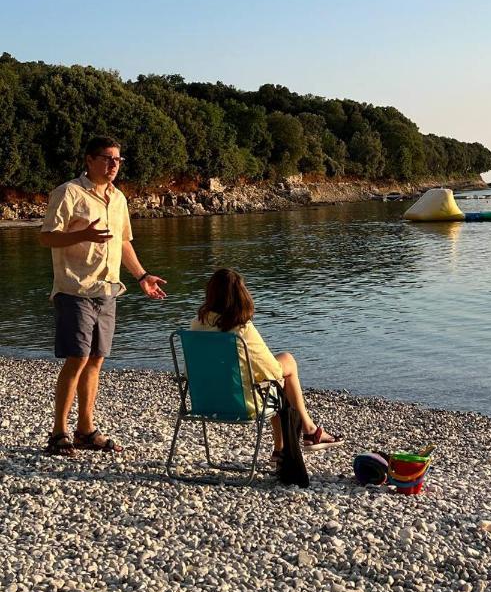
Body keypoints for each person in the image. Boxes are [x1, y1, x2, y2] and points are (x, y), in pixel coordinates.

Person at [39, 136, 167, 456]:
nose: (114, 165)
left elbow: (123, 243)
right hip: (75, 288)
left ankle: (85, 429)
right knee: (78, 357)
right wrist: (82, 234)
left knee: (96, 359)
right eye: (107, 158)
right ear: (89, 160)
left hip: (108, 289)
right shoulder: (68, 192)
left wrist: (141, 275)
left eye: (118, 160)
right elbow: (46, 237)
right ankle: (58, 433)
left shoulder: (118, 198)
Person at [191, 268, 342, 462]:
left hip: (205, 400)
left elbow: (193, 369)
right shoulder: (241, 328)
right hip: (241, 404)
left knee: (271, 380)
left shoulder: (197, 324)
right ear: (240, 295)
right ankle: (304, 434)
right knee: (284, 368)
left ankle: (300, 436)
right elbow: (271, 369)